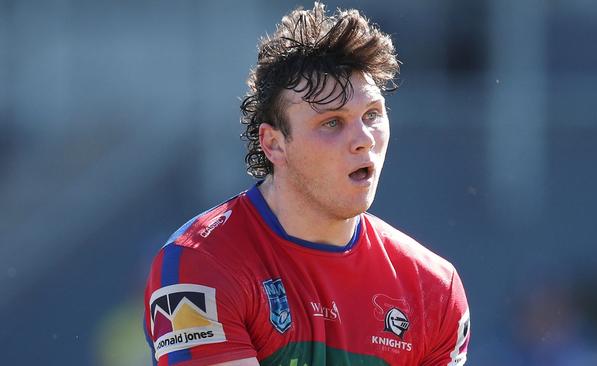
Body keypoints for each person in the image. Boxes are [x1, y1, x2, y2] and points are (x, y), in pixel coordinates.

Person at [143, 3, 470, 365]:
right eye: (332, 122)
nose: (363, 139)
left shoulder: (433, 289)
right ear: (274, 144)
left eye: (372, 115)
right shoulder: (200, 261)